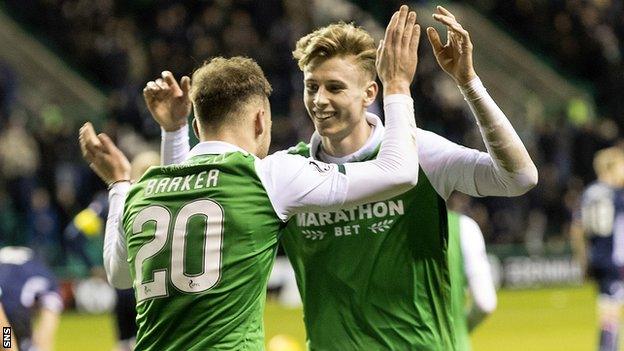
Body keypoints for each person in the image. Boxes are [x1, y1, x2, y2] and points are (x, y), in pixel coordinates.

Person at [150, 5, 537, 350]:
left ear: (370, 92)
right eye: (311, 86)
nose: (319, 100)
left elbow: (518, 178)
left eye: (335, 87)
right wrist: (176, 132)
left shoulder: (418, 150)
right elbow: (196, 197)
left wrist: (468, 83)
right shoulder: (288, 175)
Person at [81, 9, 422, 349]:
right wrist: (397, 86)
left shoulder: (146, 188)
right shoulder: (268, 176)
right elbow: (400, 172)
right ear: (260, 120)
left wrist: (120, 184)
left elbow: (119, 273)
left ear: (197, 128)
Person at [65, 150, 158, 351]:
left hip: (125, 284)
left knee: (125, 342)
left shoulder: (113, 199)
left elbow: (73, 234)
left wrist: (94, 266)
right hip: (157, 288)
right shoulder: (170, 198)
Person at [570, 146, 624, 351]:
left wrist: (583, 261)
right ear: (611, 168)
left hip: (598, 259)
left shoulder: (589, 193)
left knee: (608, 310)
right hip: (617, 259)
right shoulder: (617, 194)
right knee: (610, 314)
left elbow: (576, 230)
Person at [447, 210, 497, 351]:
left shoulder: (381, 226)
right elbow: (485, 304)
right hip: (451, 344)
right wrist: (460, 329)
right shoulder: (462, 227)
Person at [0, 246, 62, 351]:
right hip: (18, 317)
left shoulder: (4, 273)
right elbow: (49, 317)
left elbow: (4, 325)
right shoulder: (43, 272)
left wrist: (8, 346)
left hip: (13, 315)